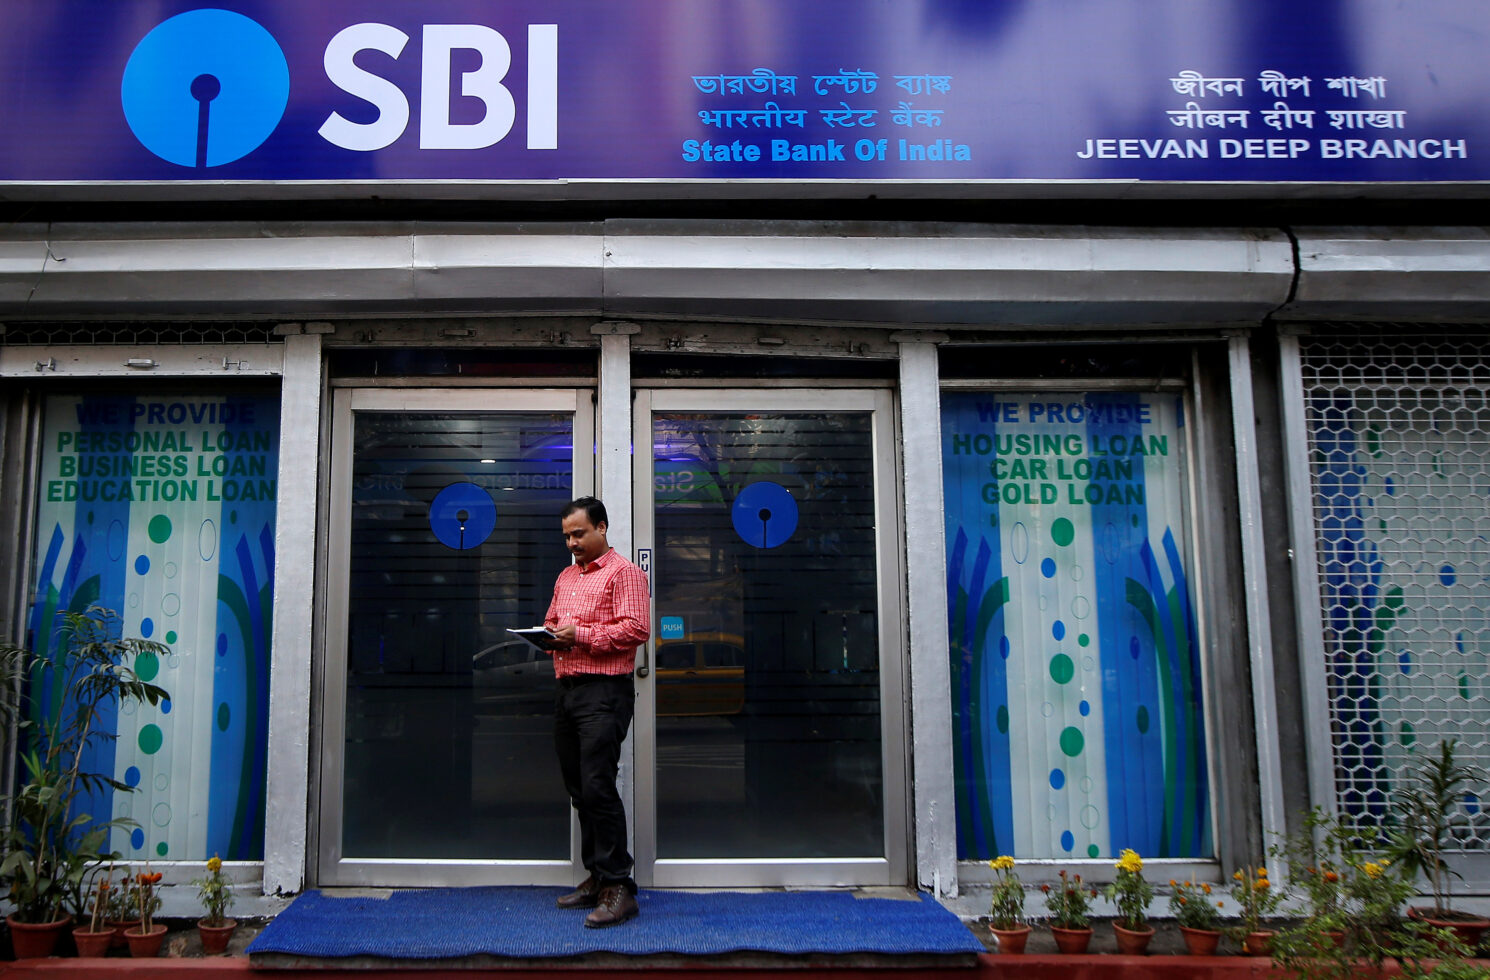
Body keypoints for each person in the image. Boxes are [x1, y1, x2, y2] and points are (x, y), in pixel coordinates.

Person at [544, 496, 650, 928]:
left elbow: (636, 628)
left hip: (604, 693)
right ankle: (597, 876)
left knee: (598, 785)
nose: (572, 542)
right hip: (567, 692)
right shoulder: (566, 577)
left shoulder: (624, 573)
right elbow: (553, 620)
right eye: (567, 535)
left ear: (602, 528)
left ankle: (619, 887)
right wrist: (548, 635)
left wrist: (580, 635)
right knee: (579, 789)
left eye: (579, 533)